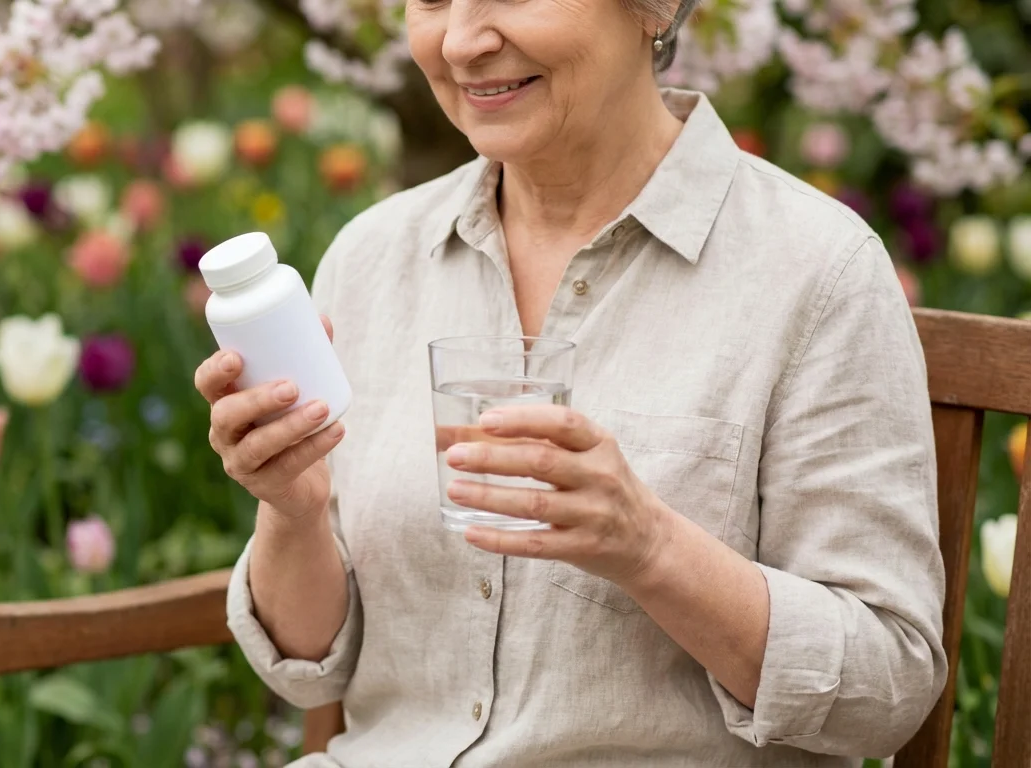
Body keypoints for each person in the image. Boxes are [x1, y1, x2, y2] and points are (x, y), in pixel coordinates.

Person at [193, 0, 947, 764]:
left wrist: (648, 547)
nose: (459, 42)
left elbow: (886, 687)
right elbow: (312, 668)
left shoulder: (816, 272)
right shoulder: (372, 257)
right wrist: (295, 511)